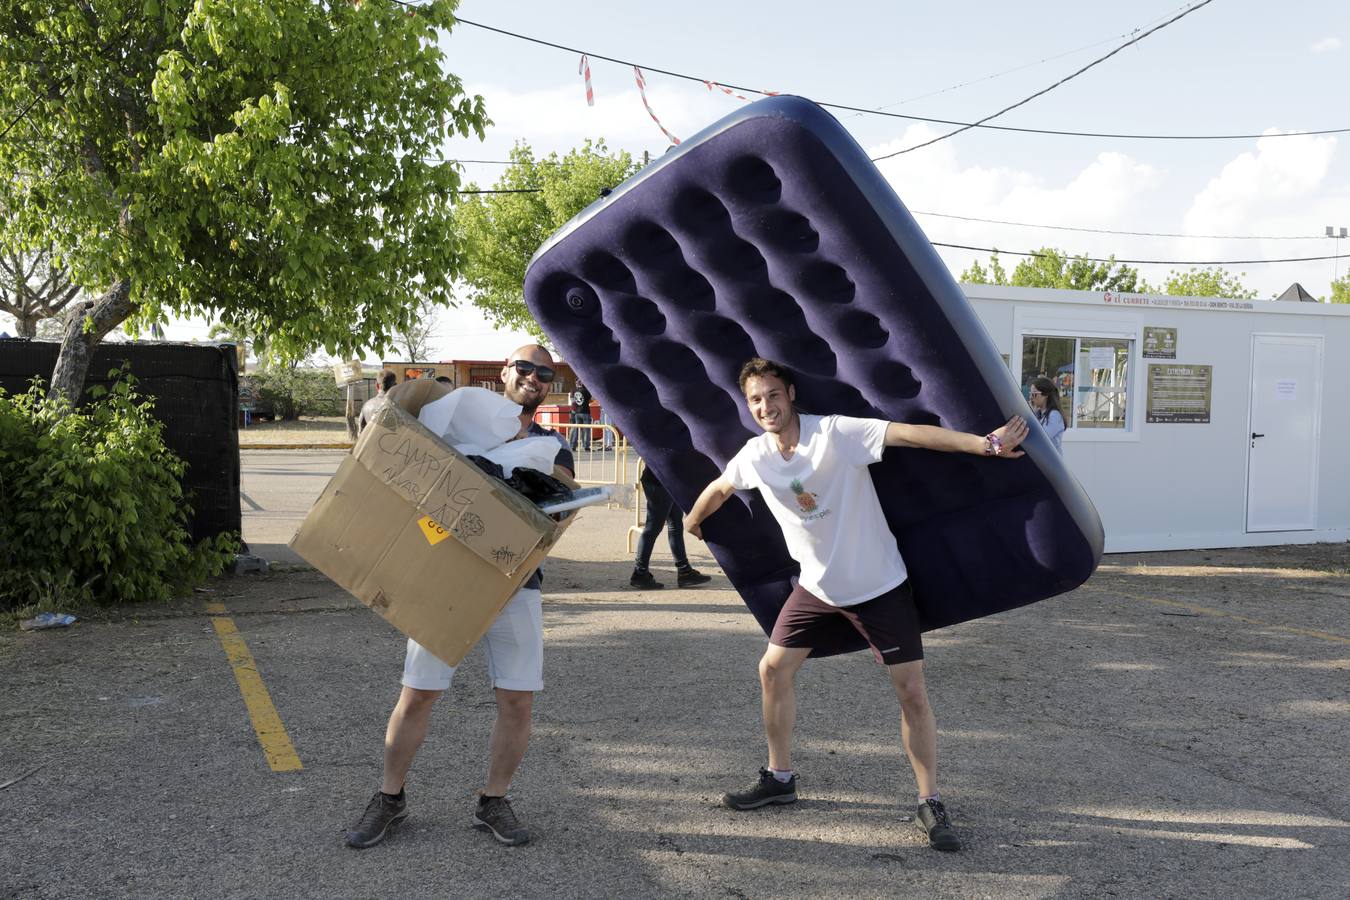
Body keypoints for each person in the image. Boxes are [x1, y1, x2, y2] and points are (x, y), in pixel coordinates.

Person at [684, 357, 1028, 852]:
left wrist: (985, 444)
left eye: (773, 395)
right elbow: (719, 488)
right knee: (772, 670)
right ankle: (780, 778)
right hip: (817, 589)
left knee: (911, 692)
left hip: (878, 584)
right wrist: (694, 522)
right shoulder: (755, 456)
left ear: (792, 393)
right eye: (756, 399)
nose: (766, 406)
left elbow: (908, 434)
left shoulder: (835, 434)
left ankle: (929, 802)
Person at [346, 344, 573, 850]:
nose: (534, 377)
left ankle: (494, 800)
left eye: (545, 372)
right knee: (418, 692)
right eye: (525, 367)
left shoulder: (553, 446)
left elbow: (555, 514)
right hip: (444, 579)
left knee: (517, 700)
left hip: (517, 586)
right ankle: (389, 797)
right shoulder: (453, 420)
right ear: (505, 372)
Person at [629, 466, 712, 590]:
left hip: (668, 480)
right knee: (653, 527)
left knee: (675, 524)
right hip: (660, 479)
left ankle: (684, 570)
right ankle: (640, 573)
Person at [1028, 376, 1065, 453]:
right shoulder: (1039, 414)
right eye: (1030, 394)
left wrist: (1031, 415)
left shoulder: (1055, 415)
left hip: (1051, 462)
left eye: (1034, 394)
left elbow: (1041, 438)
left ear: (1045, 395)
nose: (1031, 398)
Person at [357, 369, 398, 434]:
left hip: (371, 444)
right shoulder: (399, 407)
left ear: (377, 385)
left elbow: (360, 432)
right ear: (395, 386)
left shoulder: (366, 405)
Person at [568, 381, 593, 451]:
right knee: (586, 430)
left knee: (576, 429)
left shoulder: (575, 391)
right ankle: (586, 446)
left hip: (577, 412)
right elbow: (591, 400)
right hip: (585, 411)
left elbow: (574, 401)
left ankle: (573, 446)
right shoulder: (586, 391)